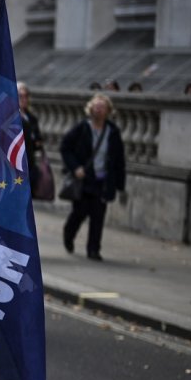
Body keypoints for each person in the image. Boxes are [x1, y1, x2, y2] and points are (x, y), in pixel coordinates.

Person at [60, 93, 126, 261]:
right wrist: (75, 168)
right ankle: (69, 233)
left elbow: (119, 159)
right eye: (96, 107)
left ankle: (94, 249)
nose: (98, 110)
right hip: (83, 179)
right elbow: (65, 147)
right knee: (80, 212)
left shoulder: (113, 132)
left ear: (108, 111)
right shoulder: (82, 128)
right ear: (90, 109)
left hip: (102, 181)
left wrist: (120, 185)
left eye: (102, 107)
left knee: (98, 216)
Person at [17, 82, 44, 189]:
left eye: (26, 96)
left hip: (31, 165)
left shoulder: (31, 117)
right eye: (20, 96)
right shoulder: (11, 118)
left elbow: (38, 138)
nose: (24, 99)